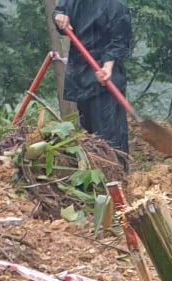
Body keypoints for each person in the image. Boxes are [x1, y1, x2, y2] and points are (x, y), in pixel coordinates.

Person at [53, 0, 132, 161]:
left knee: (110, 137)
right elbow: (60, 12)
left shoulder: (116, 5)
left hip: (106, 79)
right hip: (81, 75)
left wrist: (108, 66)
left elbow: (120, 41)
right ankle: (95, 179)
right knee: (89, 136)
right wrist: (59, 17)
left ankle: (117, 179)